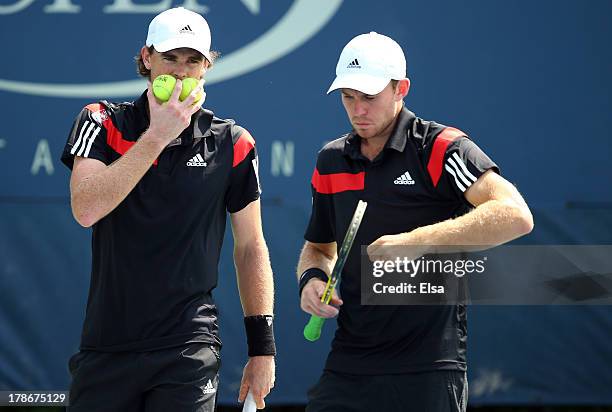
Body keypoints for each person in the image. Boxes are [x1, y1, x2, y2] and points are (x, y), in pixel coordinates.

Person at [297, 32, 533, 412]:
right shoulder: (331, 160)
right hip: (349, 364)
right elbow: (319, 248)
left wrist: (415, 241)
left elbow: (515, 215)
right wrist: (311, 279)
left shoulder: (441, 147)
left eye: (369, 97)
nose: (358, 109)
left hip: (430, 368)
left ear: (400, 89)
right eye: (348, 97)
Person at [61, 7, 275, 411]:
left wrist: (262, 350)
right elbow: (86, 209)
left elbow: (251, 248)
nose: (181, 72)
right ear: (147, 58)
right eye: (170, 58)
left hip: (188, 347)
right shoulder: (102, 120)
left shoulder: (233, 142)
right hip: (107, 344)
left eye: (193, 60)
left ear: (207, 67)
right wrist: (157, 135)